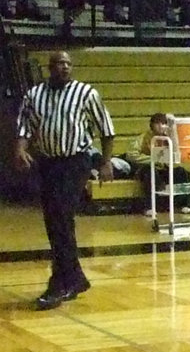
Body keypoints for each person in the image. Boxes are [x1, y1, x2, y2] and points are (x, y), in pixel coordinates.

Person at [15, 50, 115, 310]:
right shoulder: (34, 95)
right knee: (54, 219)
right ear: (50, 67)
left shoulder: (85, 93)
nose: (65, 68)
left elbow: (106, 128)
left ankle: (59, 281)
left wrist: (105, 162)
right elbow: (25, 124)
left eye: (69, 64)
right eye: (60, 64)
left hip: (75, 161)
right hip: (48, 162)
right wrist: (20, 148)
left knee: (60, 215)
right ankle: (75, 277)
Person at [127, 112, 190, 218]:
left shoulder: (167, 139)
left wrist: (173, 131)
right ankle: (149, 206)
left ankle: (182, 204)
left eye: (163, 123)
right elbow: (131, 154)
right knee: (150, 173)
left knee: (181, 172)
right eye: (157, 123)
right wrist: (152, 159)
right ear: (152, 125)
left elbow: (176, 154)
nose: (160, 126)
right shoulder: (143, 138)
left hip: (164, 168)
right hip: (147, 167)